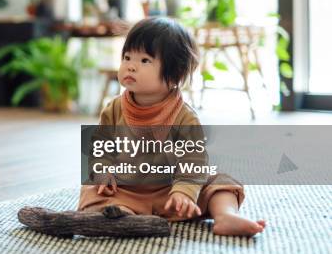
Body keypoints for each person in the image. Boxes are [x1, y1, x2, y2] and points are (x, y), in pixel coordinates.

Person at [78, 17, 266, 236]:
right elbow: (101, 146)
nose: (130, 65)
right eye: (127, 57)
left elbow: (193, 161)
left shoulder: (184, 117)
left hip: (170, 192)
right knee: (90, 190)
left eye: (145, 60)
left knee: (222, 182)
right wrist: (103, 170)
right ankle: (121, 215)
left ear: (174, 76)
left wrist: (185, 193)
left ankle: (226, 216)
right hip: (127, 189)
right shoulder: (114, 109)